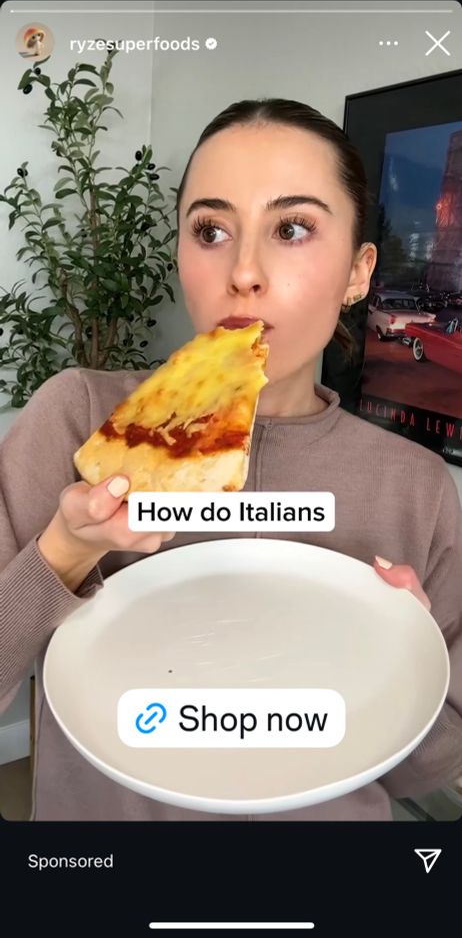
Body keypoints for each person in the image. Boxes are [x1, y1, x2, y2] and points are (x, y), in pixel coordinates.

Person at [1, 97, 461, 821]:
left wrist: (403, 662)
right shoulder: (78, 418)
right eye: (211, 230)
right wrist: (62, 551)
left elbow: (426, 768)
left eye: (294, 228)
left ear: (358, 271)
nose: (243, 272)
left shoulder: (417, 488)